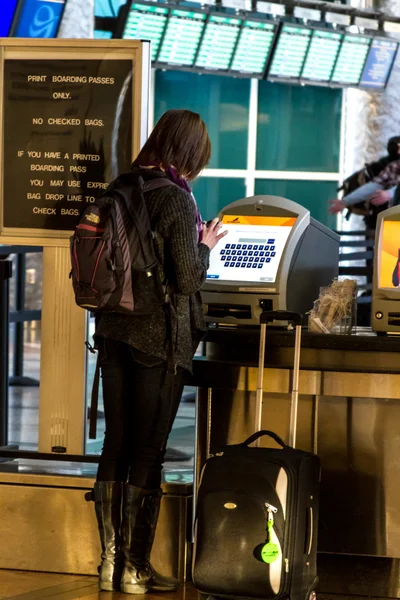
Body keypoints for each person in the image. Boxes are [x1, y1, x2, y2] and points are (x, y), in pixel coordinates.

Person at [92, 110, 227, 594]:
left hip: (111, 333)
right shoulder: (175, 198)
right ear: (190, 155)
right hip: (158, 341)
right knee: (147, 448)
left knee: (116, 442)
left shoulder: (120, 188)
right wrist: (205, 244)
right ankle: (135, 569)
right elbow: (188, 279)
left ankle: (109, 564)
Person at [330, 136, 400, 217]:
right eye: (397, 149)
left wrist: (390, 193)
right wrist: (345, 201)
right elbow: (376, 185)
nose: (398, 152)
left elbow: (391, 192)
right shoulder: (394, 166)